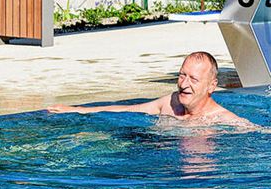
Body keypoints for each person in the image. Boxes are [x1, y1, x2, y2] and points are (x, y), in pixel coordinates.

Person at [47, 51, 248, 125]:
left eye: (193, 79)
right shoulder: (170, 103)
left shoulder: (223, 119)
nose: (184, 84)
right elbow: (127, 110)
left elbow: (257, 134)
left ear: (211, 86)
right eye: (181, 75)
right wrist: (77, 110)